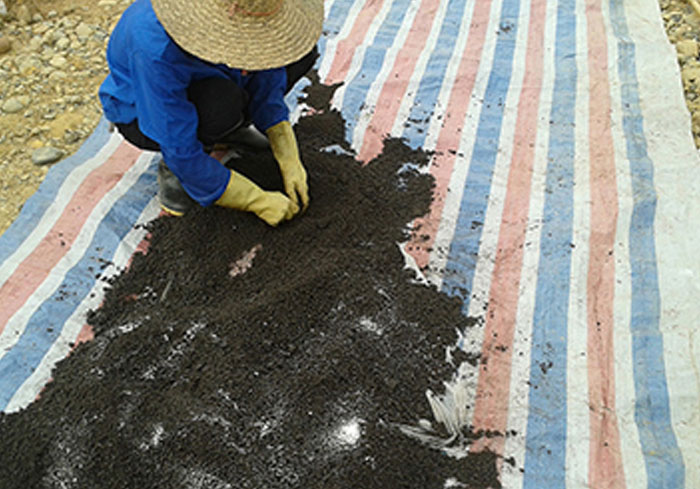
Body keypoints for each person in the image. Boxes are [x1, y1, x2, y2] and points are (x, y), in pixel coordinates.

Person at [98, 0, 324, 225]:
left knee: (298, 55)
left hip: (213, 84)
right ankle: (176, 171)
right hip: (146, 113)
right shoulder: (156, 47)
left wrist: (286, 151)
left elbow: (267, 72)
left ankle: (228, 131)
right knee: (221, 103)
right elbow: (173, 135)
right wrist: (256, 200)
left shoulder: (251, 16)